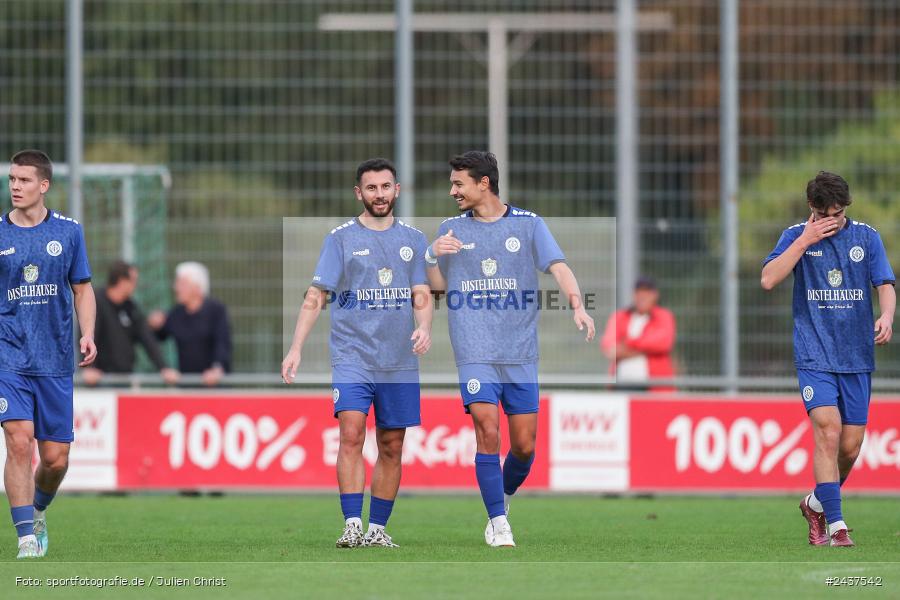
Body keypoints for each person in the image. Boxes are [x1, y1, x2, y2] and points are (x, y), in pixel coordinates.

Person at [426, 150, 595, 547]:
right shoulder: (451, 230)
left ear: (483, 183)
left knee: (524, 446)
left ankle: (501, 498)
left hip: (519, 353)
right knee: (487, 430)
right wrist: (431, 256)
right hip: (475, 351)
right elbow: (438, 290)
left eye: (458, 184)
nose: (453, 191)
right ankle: (498, 522)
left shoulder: (529, 224)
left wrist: (578, 305)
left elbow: (559, 266)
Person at [281, 158, 432, 548]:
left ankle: (377, 530)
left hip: (398, 360)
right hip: (353, 356)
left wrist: (424, 326)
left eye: (385, 187)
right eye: (371, 188)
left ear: (397, 190)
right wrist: (296, 347)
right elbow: (317, 294)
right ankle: (351, 525)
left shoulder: (414, 240)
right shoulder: (341, 239)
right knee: (351, 432)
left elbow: (421, 292)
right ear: (358, 193)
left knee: (392, 444)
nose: (379, 194)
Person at [761, 171, 895, 548]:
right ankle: (837, 527)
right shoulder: (795, 236)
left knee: (849, 447)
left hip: (856, 356)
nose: (832, 221)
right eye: (825, 215)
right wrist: (805, 240)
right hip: (814, 354)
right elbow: (768, 279)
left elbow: (885, 285)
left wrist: (886, 316)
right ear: (812, 208)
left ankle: (816, 503)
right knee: (828, 430)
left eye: (839, 214)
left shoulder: (866, 237)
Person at [1, 150, 97, 558]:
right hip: (9, 357)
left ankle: (38, 510)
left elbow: (82, 289)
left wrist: (88, 333)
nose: (15, 187)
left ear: (44, 185)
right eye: (12, 179)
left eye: (24, 180)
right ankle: (25, 537)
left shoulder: (69, 232)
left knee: (55, 460)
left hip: (55, 360)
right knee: (18, 440)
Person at [82, 261, 179, 386]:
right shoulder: (96, 303)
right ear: (122, 281)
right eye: (133, 281)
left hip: (125, 377)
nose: (135, 285)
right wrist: (90, 368)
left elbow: (147, 339)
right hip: (101, 380)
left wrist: (164, 367)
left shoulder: (131, 307)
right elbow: (87, 335)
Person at [148, 262, 231, 386]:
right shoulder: (176, 313)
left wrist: (217, 368)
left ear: (197, 287)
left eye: (182, 283)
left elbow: (222, 342)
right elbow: (160, 335)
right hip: (187, 385)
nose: (176, 288)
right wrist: (154, 325)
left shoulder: (216, 311)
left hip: (214, 386)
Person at [600, 276, 676, 391]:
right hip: (622, 385)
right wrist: (646, 350)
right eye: (639, 291)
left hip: (654, 386)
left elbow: (663, 343)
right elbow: (609, 349)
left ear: (655, 295)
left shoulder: (663, 316)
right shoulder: (620, 317)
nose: (642, 296)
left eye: (647, 292)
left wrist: (628, 343)